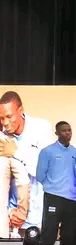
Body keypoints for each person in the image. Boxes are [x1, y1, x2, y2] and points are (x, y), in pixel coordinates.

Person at [0, 91, 52, 236]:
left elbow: (44, 171)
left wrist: (16, 152)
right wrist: (10, 212)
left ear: (21, 110)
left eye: (9, 116)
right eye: (2, 118)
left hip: (41, 218)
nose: (5, 123)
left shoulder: (41, 128)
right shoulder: (3, 138)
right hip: (15, 221)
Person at [36, 121, 76, 245]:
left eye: (69, 130)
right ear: (56, 133)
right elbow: (40, 175)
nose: (67, 133)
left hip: (72, 199)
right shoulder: (47, 151)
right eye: (63, 130)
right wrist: (52, 187)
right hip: (53, 196)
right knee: (48, 233)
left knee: (68, 235)